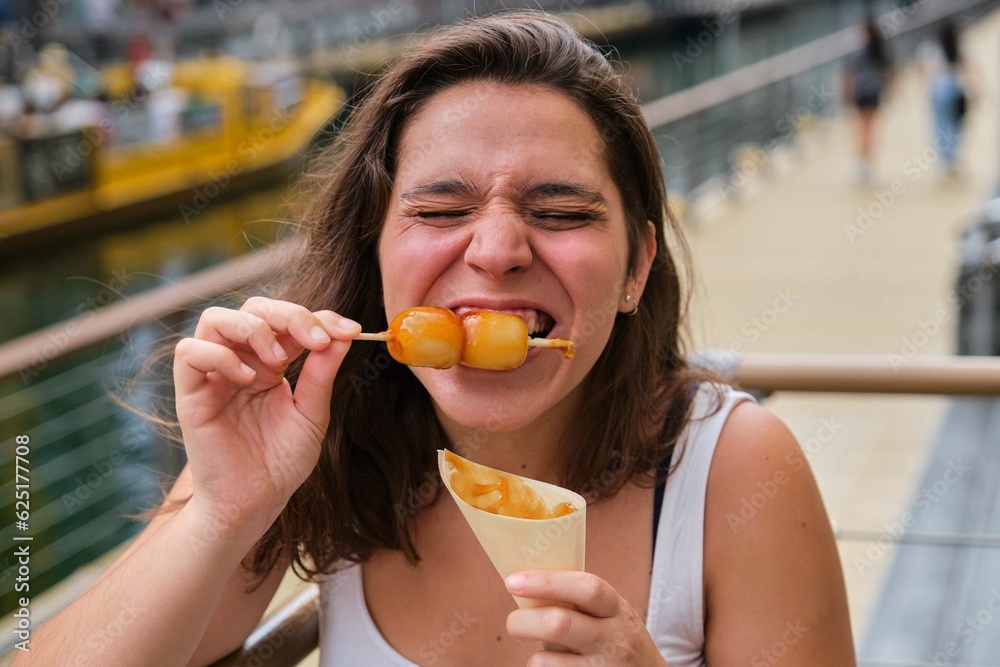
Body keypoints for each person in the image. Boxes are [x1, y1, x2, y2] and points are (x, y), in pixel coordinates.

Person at [17, 12, 856, 666]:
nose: (494, 249)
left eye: (560, 212)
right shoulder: (318, 440)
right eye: (439, 210)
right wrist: (222, 512)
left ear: (637, 265)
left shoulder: (733, 469)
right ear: (375, 252)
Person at [844, 16, 892, 184]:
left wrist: (848, 95)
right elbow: (886, 72)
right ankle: (867, 161)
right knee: (870, 128)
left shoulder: (857, 51)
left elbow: (850, 75)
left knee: (862, 128)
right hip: (874, 92)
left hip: (861, 93)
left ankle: (862, 161)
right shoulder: (878, 49)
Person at [921, 20, 971, 176]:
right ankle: (952, 156)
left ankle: (946, 158)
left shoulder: (930, 49)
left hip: (937, 90)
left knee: (941, 124)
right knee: (955, 124)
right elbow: (967, 68)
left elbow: (925, 72)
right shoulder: (956, 47)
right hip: (954, 89)